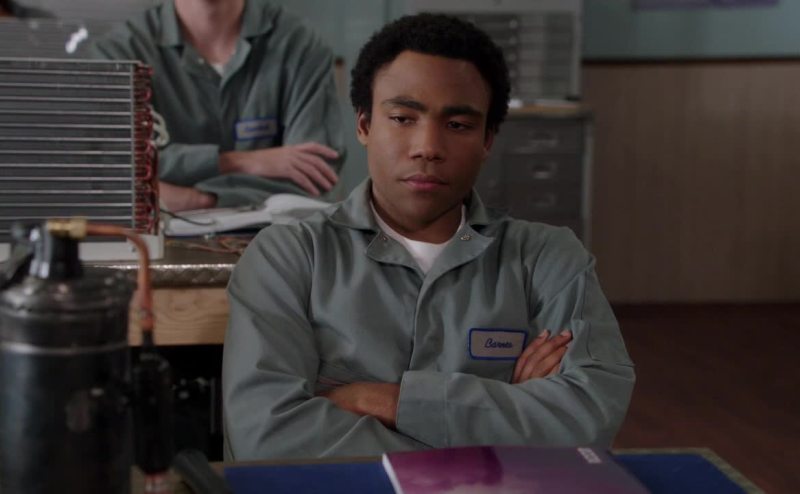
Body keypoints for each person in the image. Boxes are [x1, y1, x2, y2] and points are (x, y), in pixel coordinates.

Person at [222, 13, 635, 460]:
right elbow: (266, 437)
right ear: (363, 125)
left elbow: (588, 417)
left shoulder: (548, 259)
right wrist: (503, 416)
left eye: (457, 125)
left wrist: (384, 400)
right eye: (403, 118)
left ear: (488, 139)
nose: (428, 147)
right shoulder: (289, 257)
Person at [90, 0, 344, 212]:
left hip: (277, 245)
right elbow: (112, 174)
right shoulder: (119, 53)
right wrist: (235, 162)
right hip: (149, 248)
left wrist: (198, 199)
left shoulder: (299, 46)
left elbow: (315, 176)